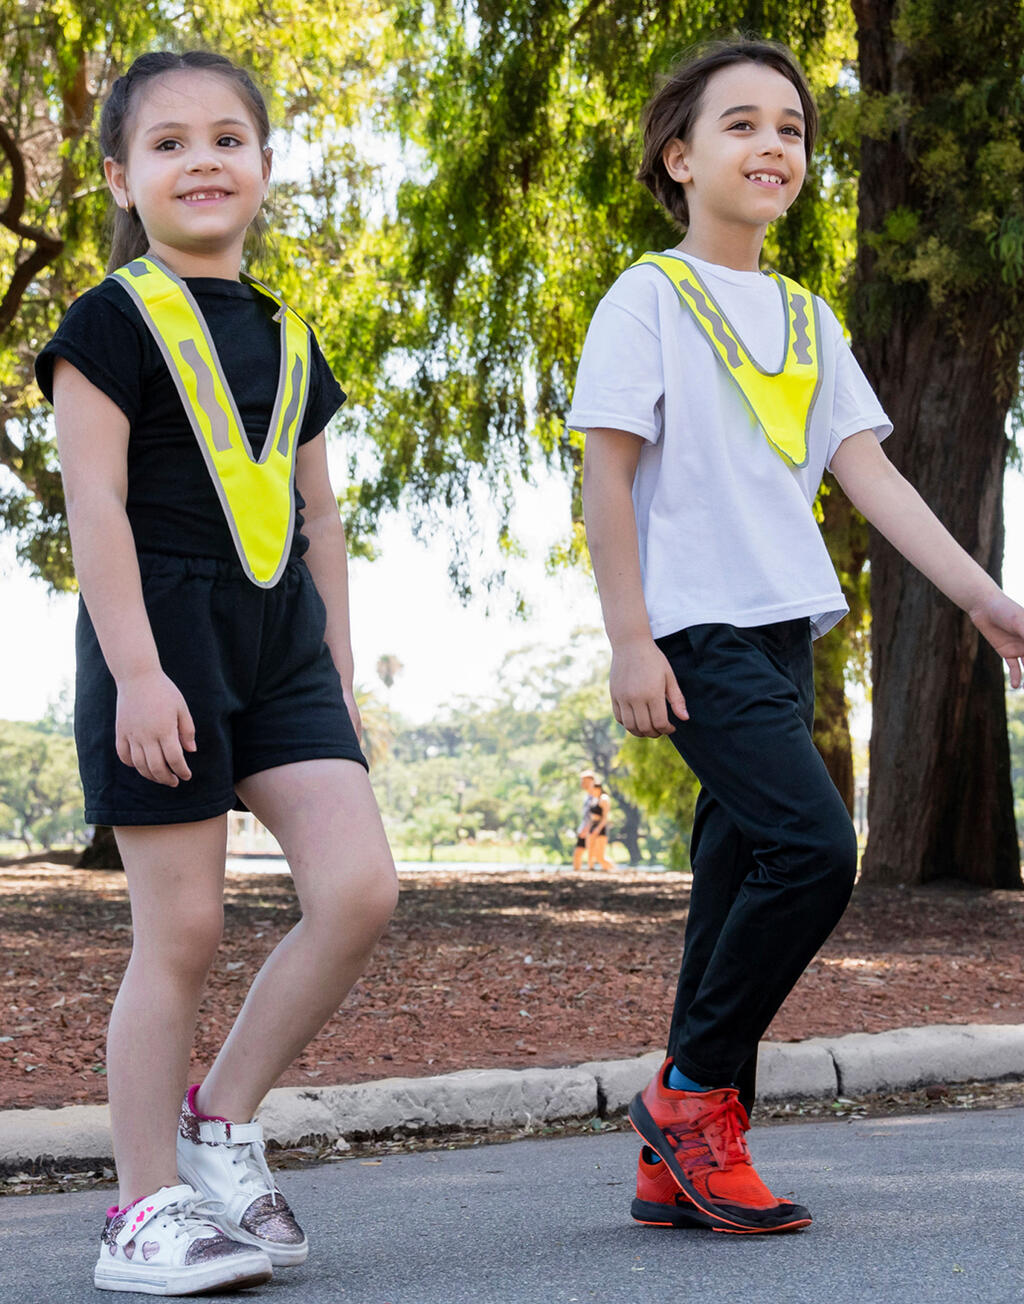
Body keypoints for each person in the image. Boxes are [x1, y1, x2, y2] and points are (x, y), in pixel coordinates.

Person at [569, 37, 1024, 1235]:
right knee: (816, 849)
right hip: (693, 630)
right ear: (679, 157)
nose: (774, 145)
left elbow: (869, 474)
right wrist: (630, 639)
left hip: (780, 629)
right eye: (742, 125)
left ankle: (674, 1163)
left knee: (731, 877)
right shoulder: (647, 298)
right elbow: (605, 480)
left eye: (792, 128)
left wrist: (983, 596)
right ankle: (690, 1094)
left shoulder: (808, 318)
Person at [35, 50, 398, 1294]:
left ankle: (222, 1112)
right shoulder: (107, 320)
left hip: (282, 641)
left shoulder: (293, 333)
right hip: (166, 633)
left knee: (356, 888)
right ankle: (142, 1208)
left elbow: (320, 520)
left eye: (228, 138)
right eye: (171, 143)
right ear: (122, 176)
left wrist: (340, 675)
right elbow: (94, 502)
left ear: (262, 164)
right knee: (182, 927)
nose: (203, 160)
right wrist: (136, 670)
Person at [571, 769, 597, 869]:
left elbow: (593, 815)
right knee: (579, 852)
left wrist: (587, 828)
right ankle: (576, 872)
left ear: (590, 781)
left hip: (590, 829)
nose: (581, 783)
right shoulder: (587, 796)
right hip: (584, 828)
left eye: (584, 781)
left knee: (595, 854)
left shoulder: (594, 796)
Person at [586, 782, 613, 871]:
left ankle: (613, 868)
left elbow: (605, 817)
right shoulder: (594, 799)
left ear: (598, 788)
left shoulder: (604, 798)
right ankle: (590, 868)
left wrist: (598, 828)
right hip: (592, 826)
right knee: (590, 851)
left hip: (600, 827)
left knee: (599, 856)